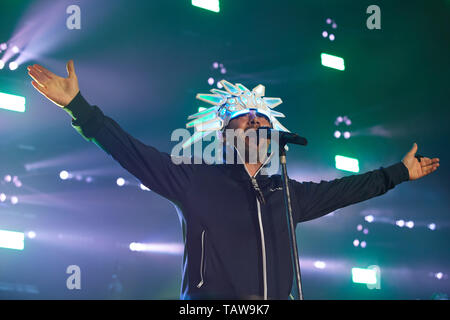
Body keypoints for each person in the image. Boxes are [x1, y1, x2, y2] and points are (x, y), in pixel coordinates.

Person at [27, 60, 440, 300]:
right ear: (226, 136)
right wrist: (79, 107)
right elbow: (131, 152)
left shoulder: (287, 193)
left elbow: (344, 190)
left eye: (264, 119)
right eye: (247, 118)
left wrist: (400, 172)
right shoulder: (195, 181)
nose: (258, 122)